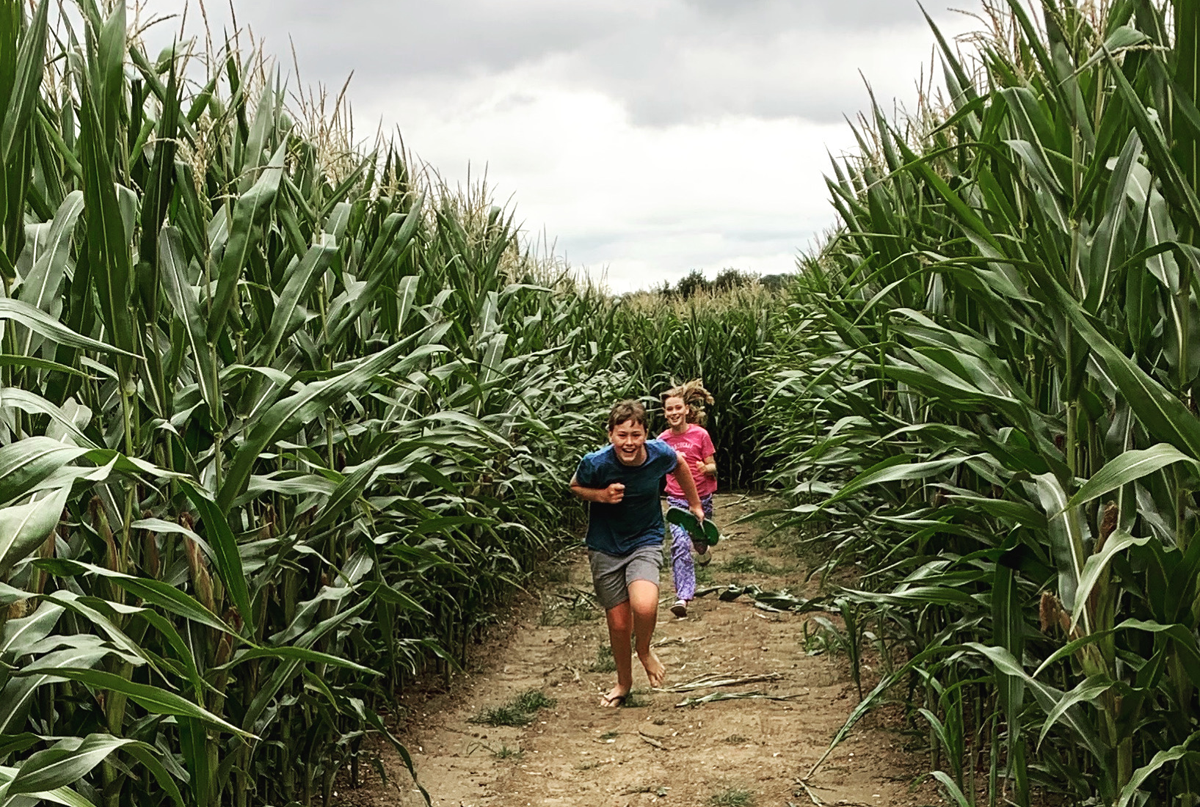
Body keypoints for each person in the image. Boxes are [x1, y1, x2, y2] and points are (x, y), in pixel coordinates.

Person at [570, 399, 705, 708]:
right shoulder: (596, 463)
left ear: (646, 433)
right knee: (618, 625)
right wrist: (601, 496)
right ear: (610, 435)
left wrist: (695, 504)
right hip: (604, 545)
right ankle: (624, 682)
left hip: (645, 538)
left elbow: (681, 465)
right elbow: (575, 487)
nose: (629, 442)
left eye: (636, 434)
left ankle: (643, 650)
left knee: (644, 606)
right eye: (622, 435)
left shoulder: (659, 454)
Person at [658, 380, 718, 619]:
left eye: (677, 408)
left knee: (700, 542)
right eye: (669, 409)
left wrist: (706, 468)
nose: (673, 413)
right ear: (665, 413)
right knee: (680, 544)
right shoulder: (662, 440)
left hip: (703, 497)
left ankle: (702, 549)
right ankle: (682, 597)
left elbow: (714, 466)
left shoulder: (700, 435)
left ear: (686, 410)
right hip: (677, 500)